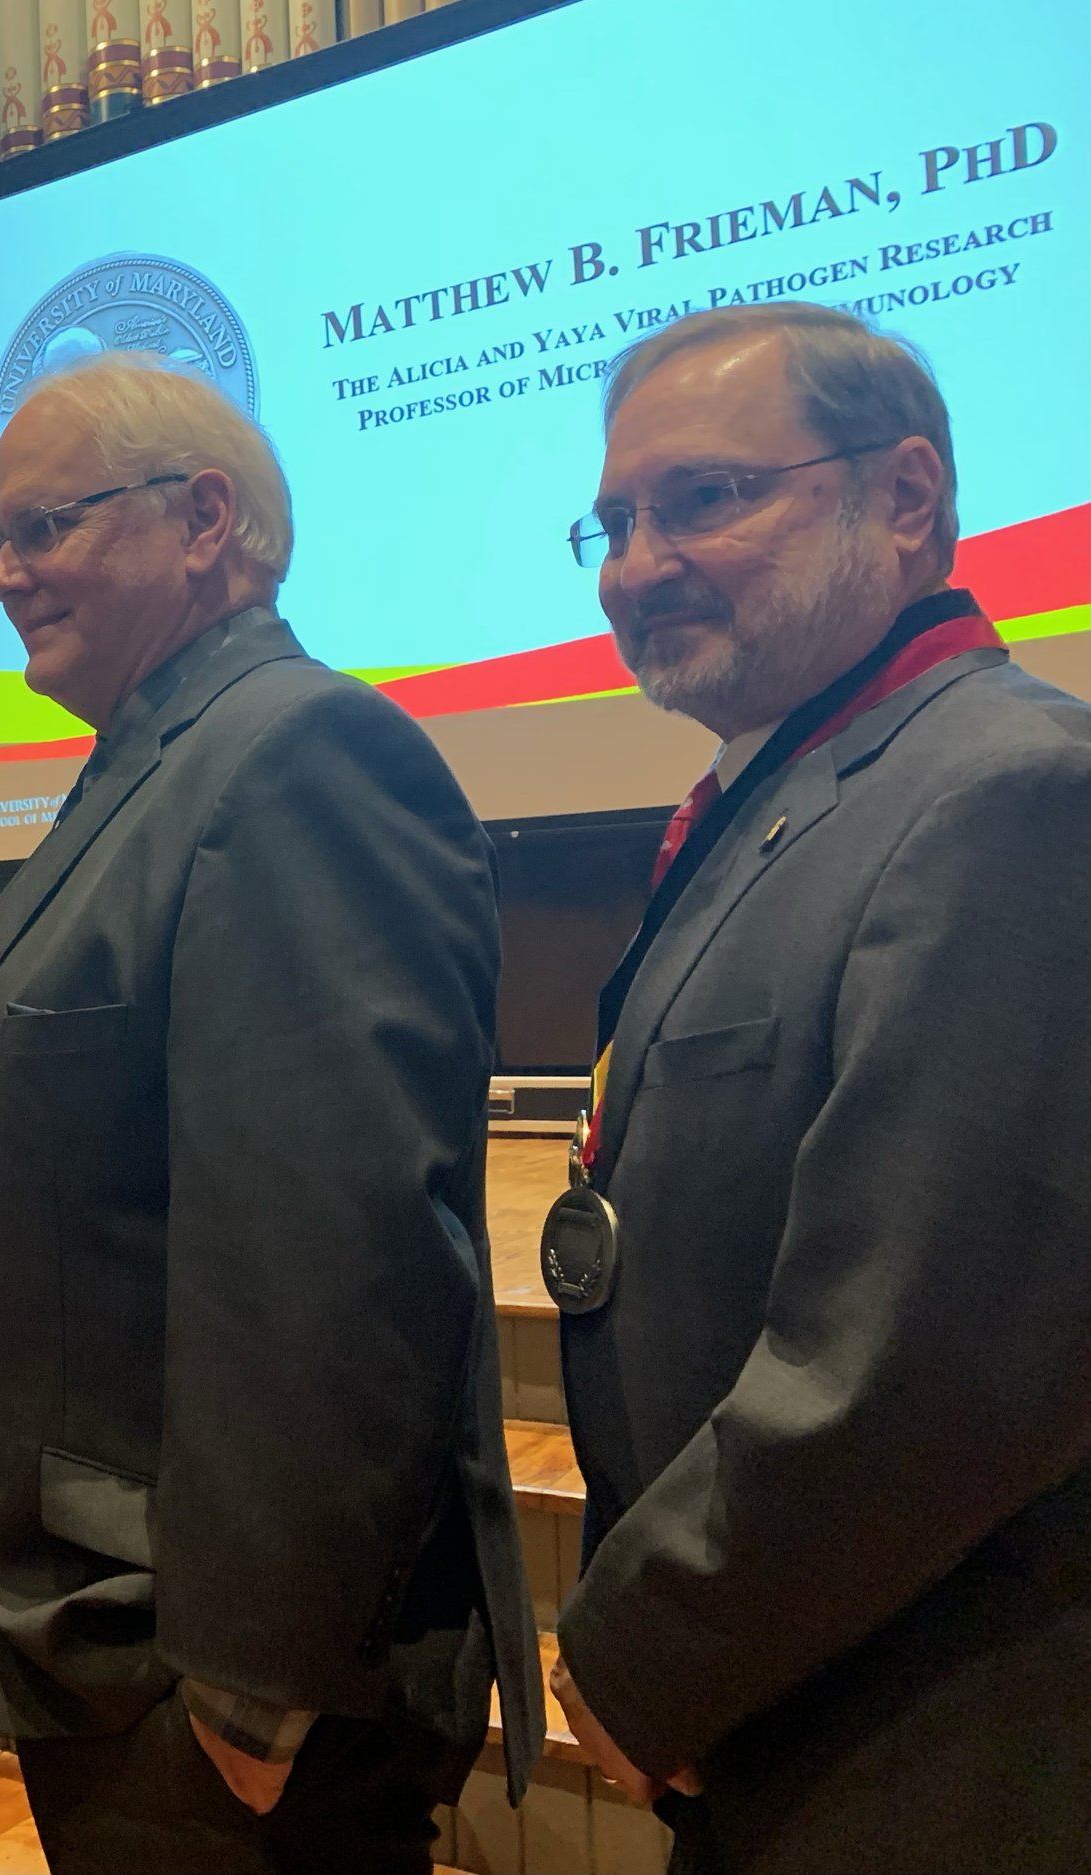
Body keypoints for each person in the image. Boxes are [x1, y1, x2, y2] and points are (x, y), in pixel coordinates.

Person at [0, 352, 542, 1874]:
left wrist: (254, 1689)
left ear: (202, 518)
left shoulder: (297, 755)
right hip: (119, 1633)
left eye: (42, 527)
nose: (0, 576)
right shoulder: (156, 760)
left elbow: (338, 1261)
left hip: (215, 1676)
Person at [545, 303, 1091, 1872]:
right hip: (788, 1711)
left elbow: (923, 1353)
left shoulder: (1013, 791)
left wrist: (645, 1651)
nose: (636, 565)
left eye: (704, 499)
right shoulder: (790, 790)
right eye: (615, 521)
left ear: (904, 496)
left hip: (928, 1742)